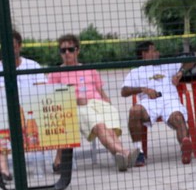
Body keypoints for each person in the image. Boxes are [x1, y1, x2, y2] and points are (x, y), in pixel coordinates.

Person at [47, 33, 139, 172]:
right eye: (63, 50)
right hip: (75, 107)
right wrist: (74, 100)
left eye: (70, 49)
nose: (67, 53)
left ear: (77, 50)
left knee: (108, 126)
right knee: (100, 126)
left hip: (97, 103)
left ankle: (120, 157)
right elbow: (52, 98)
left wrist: (108, 103)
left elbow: (100, 91)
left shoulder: (89, 70)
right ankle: (125, 153)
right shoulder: (55, 74)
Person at [121, 40, 193, 166]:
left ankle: (185, 147)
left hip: (170, 101)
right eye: (153, 50)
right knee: (134, 111)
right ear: (144, 54)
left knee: (178, 117)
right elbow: (124, 91)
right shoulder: (136, 71)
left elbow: (192, 60)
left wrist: (181, 72)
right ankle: (139, 153)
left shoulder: (166, 65)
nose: (157, 52)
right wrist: (143, 89)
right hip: (149, 103)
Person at [0, 30, 44, 181]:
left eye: (12, 46)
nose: (9, 50)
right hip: (5, 113)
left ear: (19, 46)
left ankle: (59, 163)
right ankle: (4, 169)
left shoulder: (33, 65)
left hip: (32, 111)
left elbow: (43, 90)